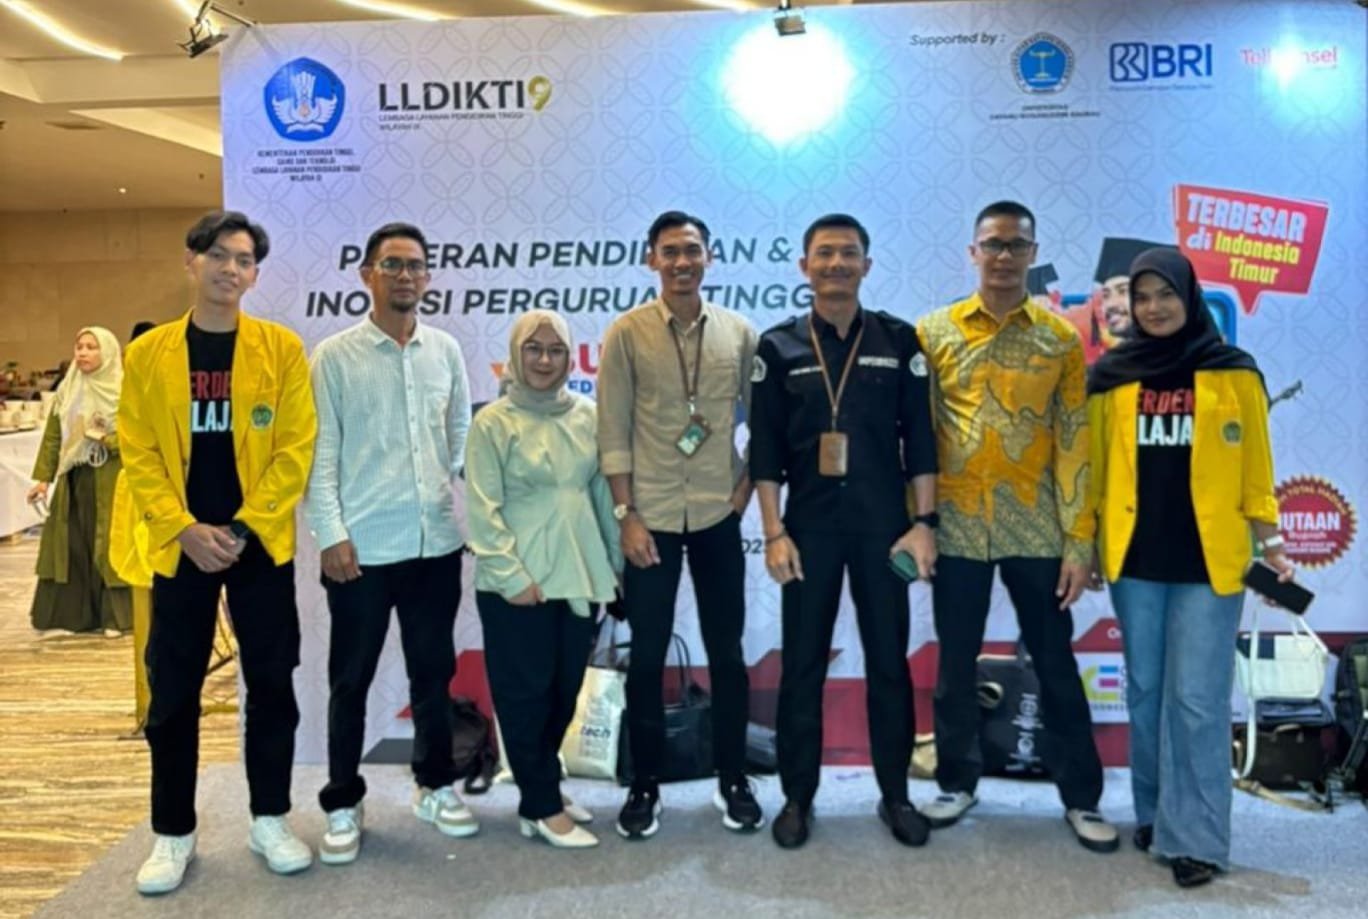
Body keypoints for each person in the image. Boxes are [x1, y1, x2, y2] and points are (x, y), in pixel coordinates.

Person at [119, 210, 317, 895]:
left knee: (272, 683)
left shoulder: (280, 350)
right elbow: (138, 450)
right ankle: (173, 832)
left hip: (257, 545)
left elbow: (295, 448)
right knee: (173, 690)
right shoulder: (149, 354)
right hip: (181, 549)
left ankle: (270, 818)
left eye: (244, 260)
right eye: (219, 255)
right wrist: (183, 528)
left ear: (255, 275)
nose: (231, 269)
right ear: (191, 260)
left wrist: (240, 528)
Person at [916, 200, 1118, 853]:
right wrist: (917, 523)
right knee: (955, 662)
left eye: (1016, 246)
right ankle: (956, 781)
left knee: (1054, 660)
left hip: (1038, 526)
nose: (1004, 256)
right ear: (972, 252)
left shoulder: (1059, 338)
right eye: (993, 244)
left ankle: (1082, 795)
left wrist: (1079, 542)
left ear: (1033, 254)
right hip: (957, 526)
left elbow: (1074, 441)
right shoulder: (933, 333)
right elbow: (916, 437)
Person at [1087, 247, 1289, 888]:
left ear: (1189, 296)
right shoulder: (1112, 375)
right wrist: (1084, 544)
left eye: (1166, 294)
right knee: (1147, 692)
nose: (1154, 307)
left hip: (1211, 563)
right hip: (1135, 560)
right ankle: (1154, 815)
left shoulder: (1235, 371)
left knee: (1197, 700)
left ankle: (1197, 838)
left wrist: (1273, 544)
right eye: (1142, 297)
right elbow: (1094, 470)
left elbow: (1256, 467)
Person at [750, 213, 938, 850]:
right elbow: (765, 449)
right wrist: (773, 532)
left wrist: (924, 525)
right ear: (804, 266)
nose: (837, 263)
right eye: (825, 253)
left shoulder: (900, 340)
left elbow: (922, 442)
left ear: (867, 265)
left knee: (889, 663)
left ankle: (896, 795)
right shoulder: (777, 347)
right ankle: (798, 797)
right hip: (809, 532)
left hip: (885, 532)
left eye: (849, 253)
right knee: (802, 665)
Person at [305, 222, 475, 865]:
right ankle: (342, 800)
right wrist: (331, 534)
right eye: (393, 264)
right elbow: (321, 458)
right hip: (362, 553)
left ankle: (435, 785)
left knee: (433, 674)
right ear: (367, 275)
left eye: (416, 266)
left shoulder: (445, 351)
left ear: (428, 277)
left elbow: (461, 444)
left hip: (435, 544)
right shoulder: (334, 357)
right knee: (350, 679)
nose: (406, 276)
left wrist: (490, 508)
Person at [597, 210, 762, 839]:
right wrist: (626, 515)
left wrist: (743, 492)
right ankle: (645, 784)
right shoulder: (627, 333)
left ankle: (733, 778)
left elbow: (766, 422)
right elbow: (612, 430)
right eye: (670, 252)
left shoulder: (738, 333)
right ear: (652, 260)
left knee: (727, 653)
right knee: (646, 658)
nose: (682, 262)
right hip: (652, 519)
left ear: (709, 256)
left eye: (692, 250)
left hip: (718, 513)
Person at [466, 311, 623, 849]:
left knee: (564, 690)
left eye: (556, 350)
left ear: (569, 358)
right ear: (515, 354)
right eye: (533, 348)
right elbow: (482, 508)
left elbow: (601, 494)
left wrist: (614, 567)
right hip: (519, 581)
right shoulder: (492, 422)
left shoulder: (587, 416)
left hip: (579, 571)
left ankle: (545, 784)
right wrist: (511, 576)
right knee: (524, 694)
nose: (544, 360)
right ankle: (538, 806)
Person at [27, 326, 132, 637]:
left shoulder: (124, 390)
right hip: (76, 478)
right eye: (79, 346)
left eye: (91, 347)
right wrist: (43, 480)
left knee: (109, 544)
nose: (83, 353)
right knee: (73, 544)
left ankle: (115, 617)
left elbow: (139, 434)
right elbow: (54, 436)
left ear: (107, 352)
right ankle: (76, 616)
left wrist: (105, 440)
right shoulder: (68, 389)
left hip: (112, 477)